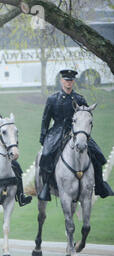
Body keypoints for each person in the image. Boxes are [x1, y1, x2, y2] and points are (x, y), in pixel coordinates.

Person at [38, 69, 114, 200]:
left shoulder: (79, 99)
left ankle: (100, 185)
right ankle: (46, 186)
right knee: (46, 155)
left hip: (78, 131)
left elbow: (87, 117)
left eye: (71, 80)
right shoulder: (52, 99)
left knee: (98, 155)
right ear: (62, 81)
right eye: (66, 80)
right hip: (57, 131)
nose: (68, 83)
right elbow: (46, 119)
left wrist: (85, 132)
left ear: (73, 82)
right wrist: (43, 137)